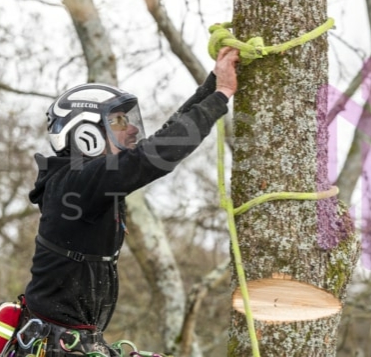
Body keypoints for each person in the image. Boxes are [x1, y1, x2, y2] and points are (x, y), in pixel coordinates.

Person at [15, 47, 240, 357]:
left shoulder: (85, 181)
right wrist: (221, 96)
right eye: (120, 122)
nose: (132, 128)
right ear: (86, 135)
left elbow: (161, 138)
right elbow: (154, 155)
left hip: (77, 343)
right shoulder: (76, 183)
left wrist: (213, 83)